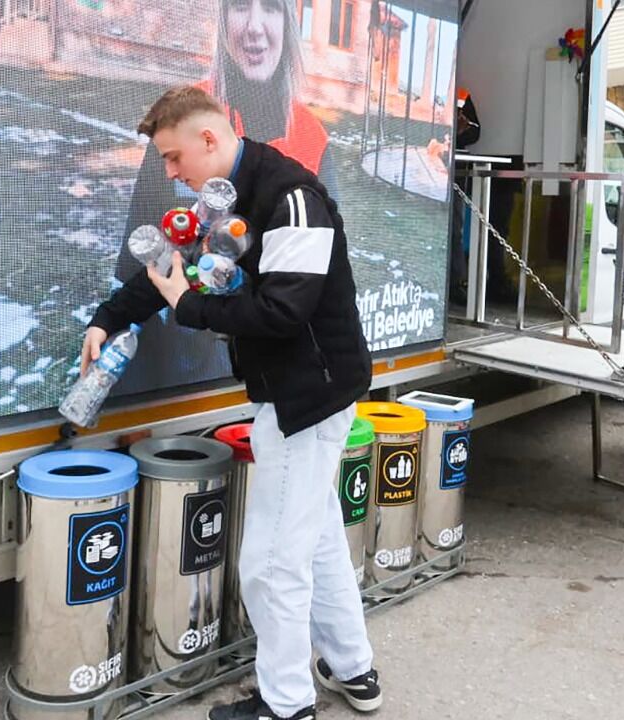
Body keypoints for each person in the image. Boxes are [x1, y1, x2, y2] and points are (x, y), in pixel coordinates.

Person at [82, 86, 380, 720]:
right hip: (302, 394)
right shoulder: (224, 202)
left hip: (308, 400)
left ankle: (286, 705)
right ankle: (353, 669)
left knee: (271, 562)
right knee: (318, 537)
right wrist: (109, 317)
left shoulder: (293, 200)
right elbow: (172, 267)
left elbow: (282, 309)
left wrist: (190, 309)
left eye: (172, 157)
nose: (170, 172)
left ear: (209, 141)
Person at [111, 0, 337, 395]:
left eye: (270, 7)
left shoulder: (311, 138)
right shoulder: (182, 126)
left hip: (282, 378)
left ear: (288, 23)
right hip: (186, 379)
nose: (254, 27)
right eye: (238, 7)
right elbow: (142, 264)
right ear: (221, 20)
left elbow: (318, 289)